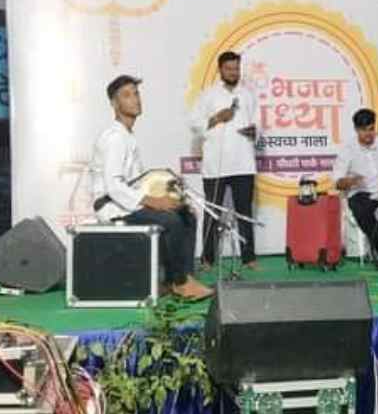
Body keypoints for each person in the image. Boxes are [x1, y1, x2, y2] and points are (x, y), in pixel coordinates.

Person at [91, 75, 214, 300]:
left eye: (136, 93)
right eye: (127, 95)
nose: (135, 99)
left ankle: (177, 279)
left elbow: (136, 182)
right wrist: (154, 202)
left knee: (186, 214)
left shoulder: (127, 136)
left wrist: (166, 191)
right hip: (112, 207)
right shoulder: (115, 138)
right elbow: (114, 186)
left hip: (126, 203)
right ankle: (180, 282)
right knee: (171, 220)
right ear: (114, 104)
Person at [190, 52, 259, 270]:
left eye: (236, 68)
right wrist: (217, 117)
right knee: (212, 213)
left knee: (245, 212)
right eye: (229, 69)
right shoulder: (208, 95)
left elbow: (258, 124)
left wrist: (254, 131)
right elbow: (194, 124)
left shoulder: (247, 95)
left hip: (243, 163)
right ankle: (207, 259)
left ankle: (249, 258)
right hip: (215, 166)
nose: (233, 72)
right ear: (220, 69)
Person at [332, 109, 378, 256]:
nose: (368, 134)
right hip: (363, 193)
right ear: (356, 129)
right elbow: (337, 181)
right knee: (360, 207)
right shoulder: (348, 150)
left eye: (371, 129)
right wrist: (349, 181)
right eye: (363, 130)